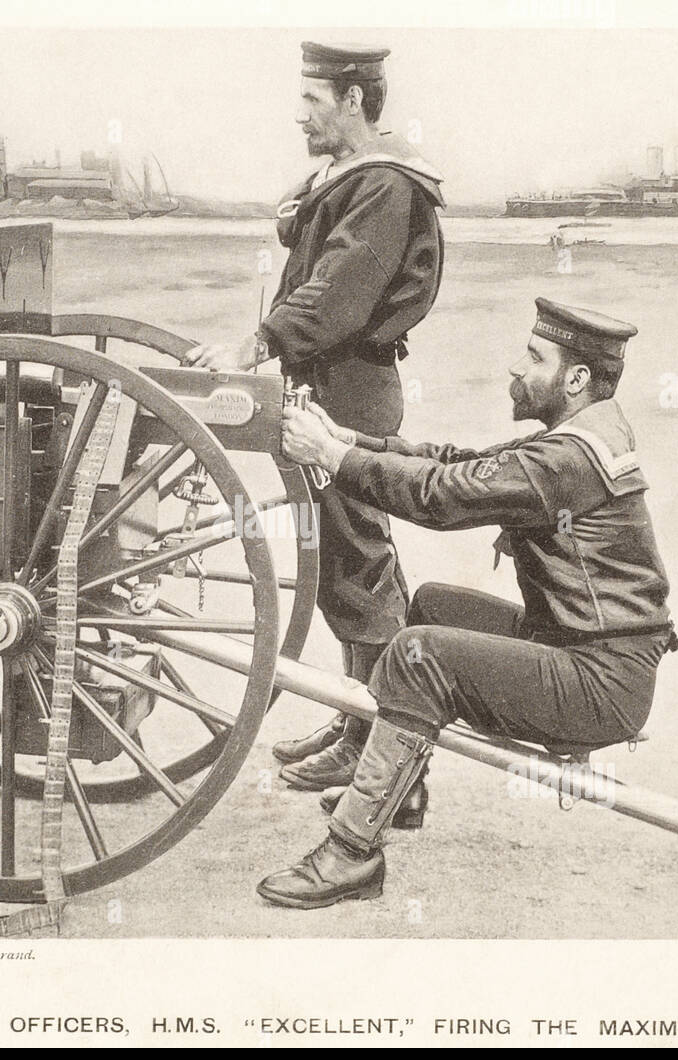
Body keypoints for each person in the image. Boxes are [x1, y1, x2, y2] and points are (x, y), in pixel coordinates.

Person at [256, 298, 678, 909]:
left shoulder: (564, 460)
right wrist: (350, 439)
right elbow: (461, 464)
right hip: (582, 649)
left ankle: (351, 854)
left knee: (417, 653)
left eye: (533, 358)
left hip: (600, 684)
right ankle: (402, 793)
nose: (515, 368)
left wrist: (330, 457)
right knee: (432, 605)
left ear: (576, 379)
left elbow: (440, 497)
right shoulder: (584, 436)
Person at [184, 42, 445, 807]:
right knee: (341, 567)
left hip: (351, 395)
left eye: (312, 100)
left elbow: (338, 292)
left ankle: (384, 752)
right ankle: (355, 722)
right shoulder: (350, 179)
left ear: (355, 100)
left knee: (361, 570)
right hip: (324, 385)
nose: (300, 113)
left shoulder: (387, 187)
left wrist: (257, 343)